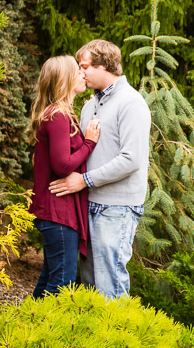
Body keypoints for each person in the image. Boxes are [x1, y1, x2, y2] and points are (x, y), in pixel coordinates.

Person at [49, 39, 151, 299]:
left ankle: (118, 339)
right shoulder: (89, 106)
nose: (79, 73)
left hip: (116, 208)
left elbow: (131, 159)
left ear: (104, 65)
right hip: (88, 205)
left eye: (83, 66)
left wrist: (85, 180)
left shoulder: (131, 103)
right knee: (90, 286)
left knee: (110, 286)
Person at [28, 55, 100, 298]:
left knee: (51, 276)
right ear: (65, 79)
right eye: (77, 71)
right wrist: (89, 142)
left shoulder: (58, 114)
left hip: (57, 211)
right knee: (61, 282)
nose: (82, 74)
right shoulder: (57, 116)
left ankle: (24, 327)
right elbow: (62, 165)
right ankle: (41, 333)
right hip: (59, 212)